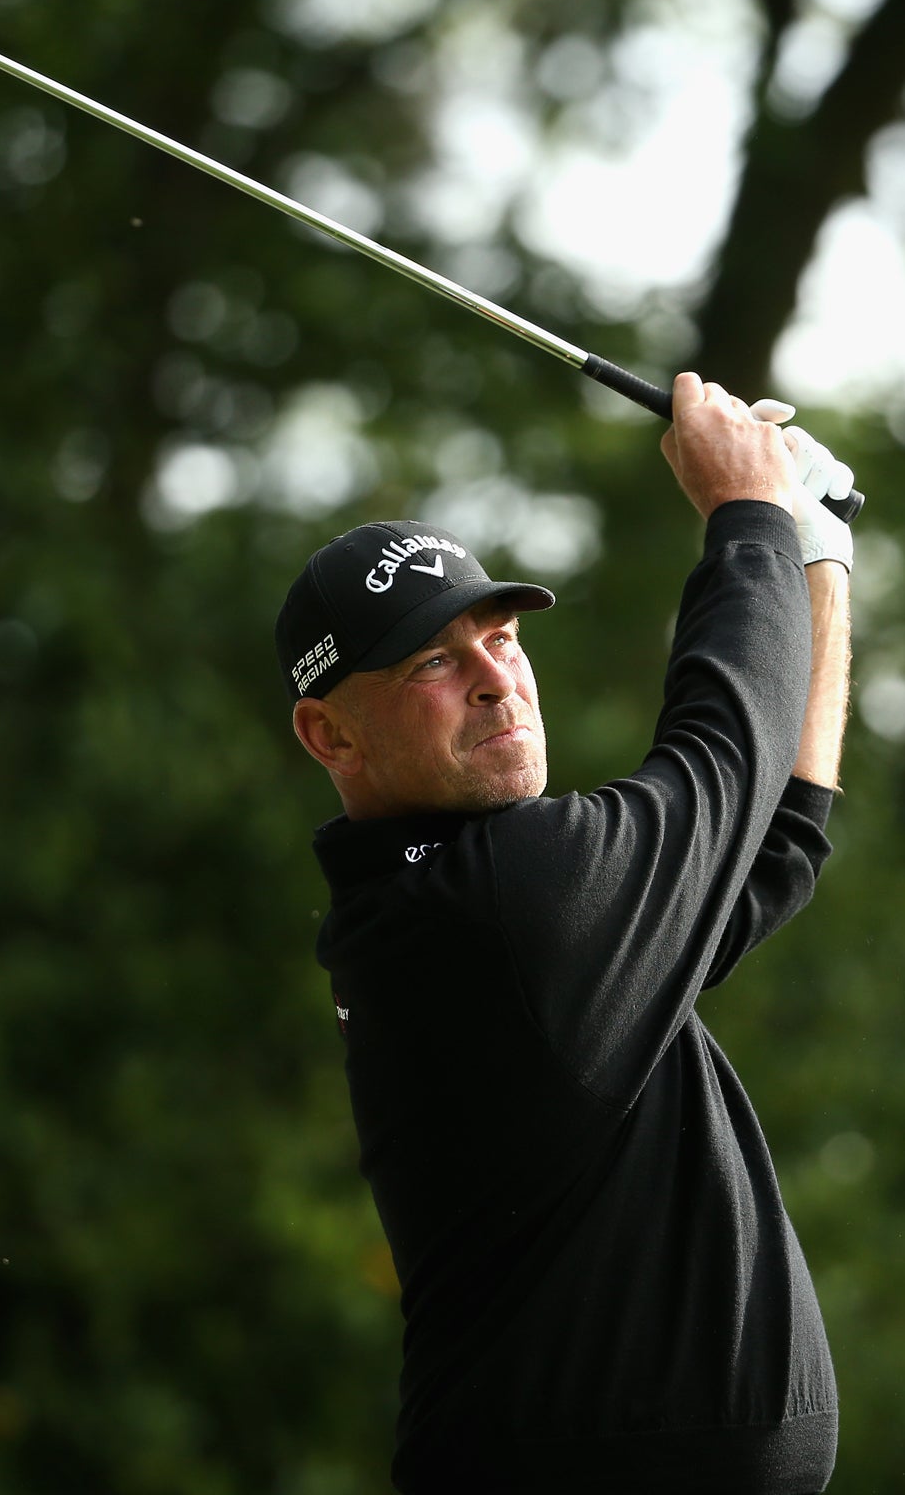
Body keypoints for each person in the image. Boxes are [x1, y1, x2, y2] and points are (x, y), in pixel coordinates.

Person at [274, 372, 856, 1494]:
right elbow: (724, 752)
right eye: (434, 663)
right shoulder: (500, 904)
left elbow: (772, 844)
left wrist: (813, 549)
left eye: (499, 639)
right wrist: (744, 514)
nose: (497, 681)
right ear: (327, 733)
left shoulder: (460, 908)